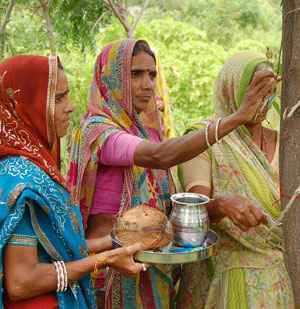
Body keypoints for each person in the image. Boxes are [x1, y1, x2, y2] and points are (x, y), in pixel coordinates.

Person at [67, 39, 276, 308]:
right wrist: (236, 118)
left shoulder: (145, 132)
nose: (148, 84)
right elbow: (159, 155)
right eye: (136, 74)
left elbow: (168, 206)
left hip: (151, 272)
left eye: (152, 74)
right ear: (111, 78)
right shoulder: (98, 132)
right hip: (110, 274)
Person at [0, 55, 147, 309]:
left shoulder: (32, 164)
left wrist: (111, 243)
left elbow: (51, 248)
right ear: (25, 106)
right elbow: (21, 282)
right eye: (58, 99)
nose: (70, 106)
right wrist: (105, 259)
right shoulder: (21, 180)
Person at [176, 51, 294, 308]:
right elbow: (192, 211)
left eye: (268, 90)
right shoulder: (205, 139)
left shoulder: (287, 141)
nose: (262, 100)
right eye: (255, 90)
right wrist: (222, 205)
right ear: (232, 89)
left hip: (286, 278)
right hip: (232, 283)